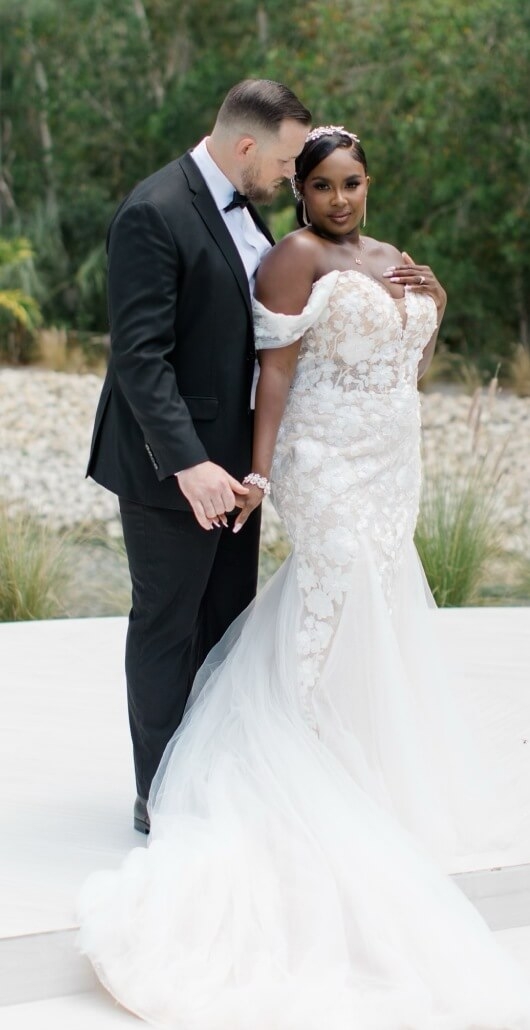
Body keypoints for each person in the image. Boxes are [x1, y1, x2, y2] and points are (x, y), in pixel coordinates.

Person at [79, 128, 530, 1027]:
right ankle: (256, 759)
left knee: (376, 593)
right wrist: (260, 472)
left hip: (389, 457)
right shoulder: (292, 257)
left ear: (369, 182)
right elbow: (274, 375)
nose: (336, 198)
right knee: (329, 585)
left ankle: (351, 755)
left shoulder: (395, 258)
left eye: (351, 183)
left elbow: (409, 362)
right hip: (320, 461)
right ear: (299, 191)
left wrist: (431, 296)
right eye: (318, 184)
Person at [86, 80, 311, 832]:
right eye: (283, 161)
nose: (289, 176)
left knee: (224, 627)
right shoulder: (155, 212)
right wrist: (189, 465)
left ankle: (212, 778)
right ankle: (161, 796)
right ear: (245, 146)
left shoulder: (246, 210)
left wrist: (252, 465)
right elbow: (139, 359)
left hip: (234, 469)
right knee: (167, 625)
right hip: (169, 470)